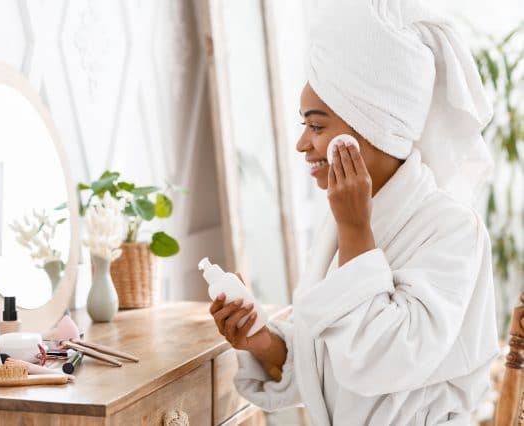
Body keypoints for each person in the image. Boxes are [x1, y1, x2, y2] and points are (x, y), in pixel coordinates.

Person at [209, 1, 499, 424]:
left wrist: (356, 229)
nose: (302, 145)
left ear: (374, 127)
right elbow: (330, 367)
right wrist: (261, 339)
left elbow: (381, 362)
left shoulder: (452, 230)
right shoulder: (344, 223)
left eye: (317, 127)